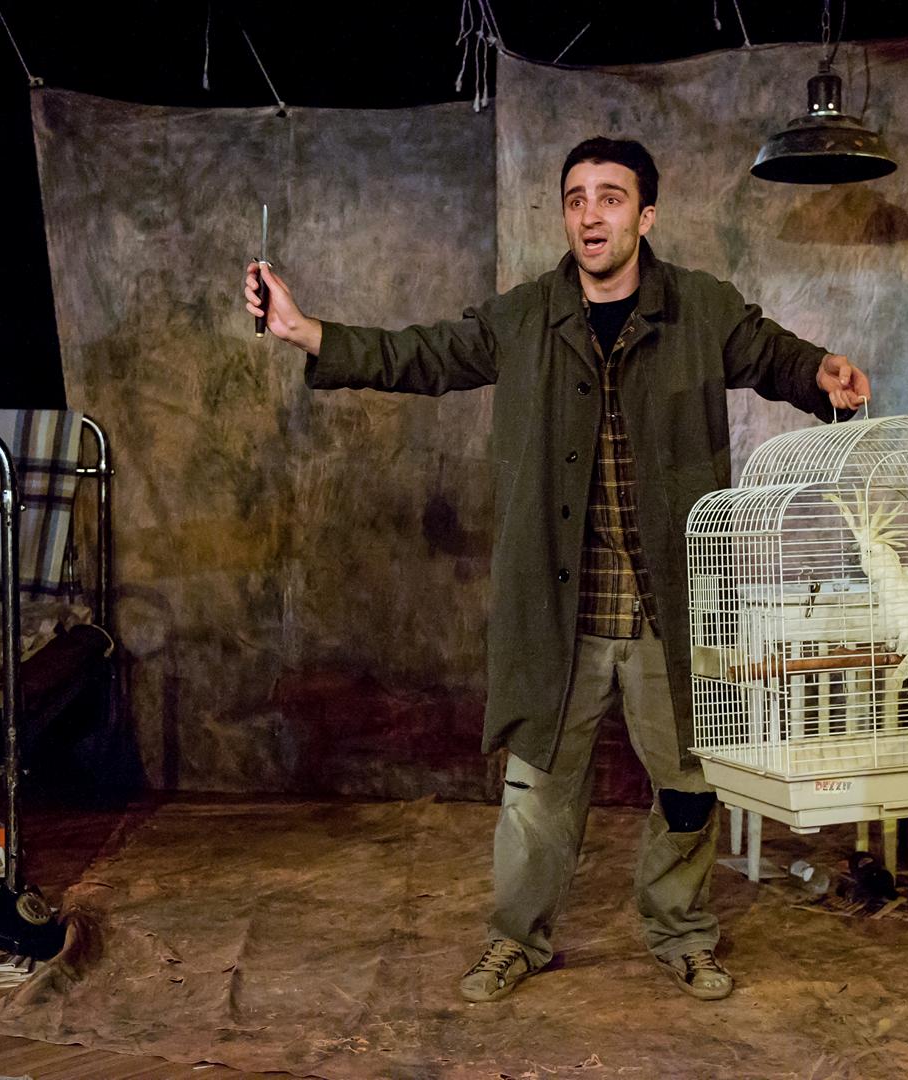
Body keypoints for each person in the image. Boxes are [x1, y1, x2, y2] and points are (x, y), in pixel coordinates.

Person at [244, 137, 869, 1004]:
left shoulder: (701, 308)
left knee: (690, 788)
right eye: (576, 198)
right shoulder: (526, 316)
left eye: (611, 197)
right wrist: (303, 330)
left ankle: (682, 932)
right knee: (535, 796)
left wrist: (821, 374)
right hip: (560, 612)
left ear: (646, 216)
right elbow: (423, 355)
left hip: (672, 611)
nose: (590, 214)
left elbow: (774, 355)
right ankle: (517, 939)